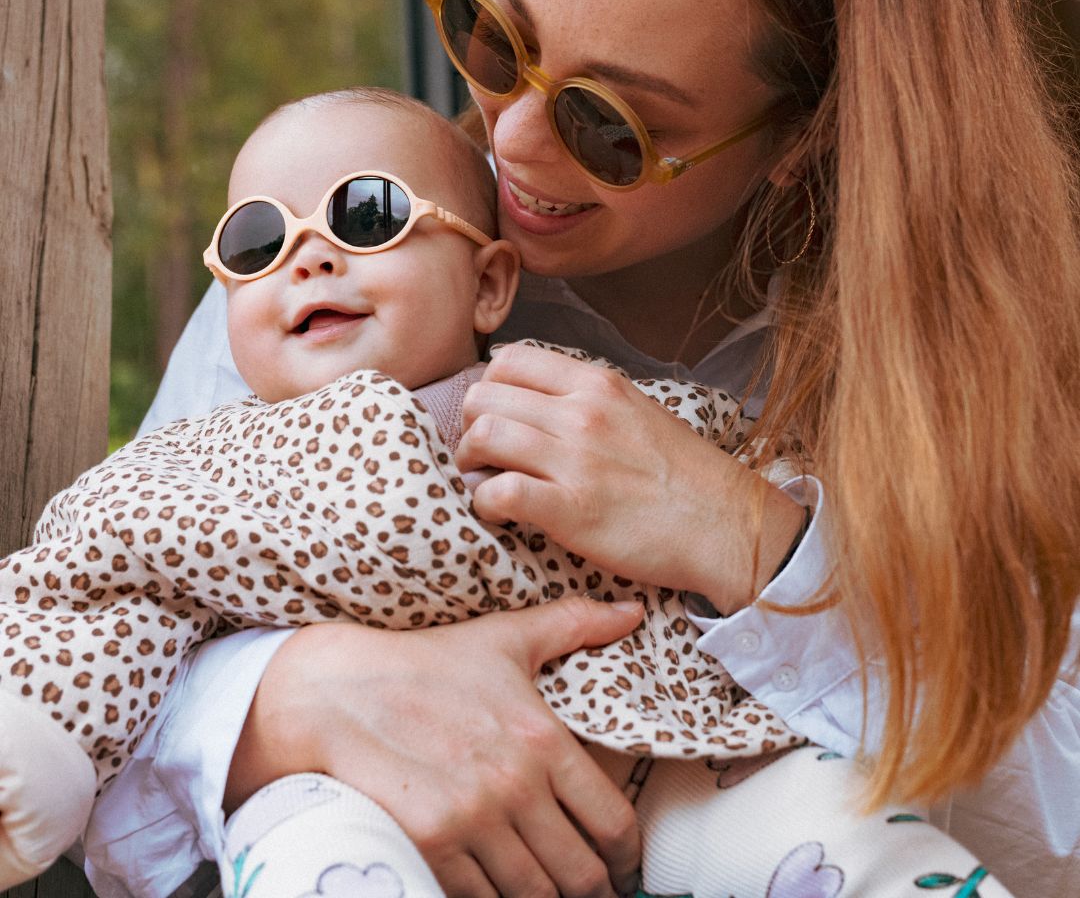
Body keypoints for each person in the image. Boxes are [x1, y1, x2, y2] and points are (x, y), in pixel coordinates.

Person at [86, 0, 1080, 895]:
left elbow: (1053, 815)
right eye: (494, 37)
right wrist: (280, 702)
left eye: (609, 126)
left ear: (805, 136)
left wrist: (748, 539)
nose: (508, 140)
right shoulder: (337, 264)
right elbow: (91, 634)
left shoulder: (983, 357)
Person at [2, 87, 1009, 898]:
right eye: (258, 243)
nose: (308, 256)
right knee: (319, 861)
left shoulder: (559, 400)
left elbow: (731, 459)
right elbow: (95, 605)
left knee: (828, 821)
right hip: (340, 788)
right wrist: (35, 751)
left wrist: (768, 509)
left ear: (489, 285)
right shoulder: (194, 473)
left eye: (366, 214)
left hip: (650, 741)